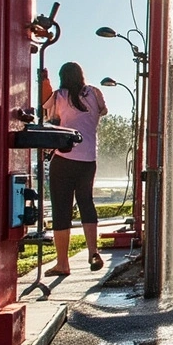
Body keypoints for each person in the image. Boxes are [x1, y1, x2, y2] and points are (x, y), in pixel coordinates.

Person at [41, 62, 108, 276]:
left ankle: (63, 263)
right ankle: (93, 252)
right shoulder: (95, 92)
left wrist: (44, 80)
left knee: (62, 209)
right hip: (89, 160)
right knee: (86, 203)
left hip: (64, 158)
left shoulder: (60, 95)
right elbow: (103, 111)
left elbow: (45, 107)